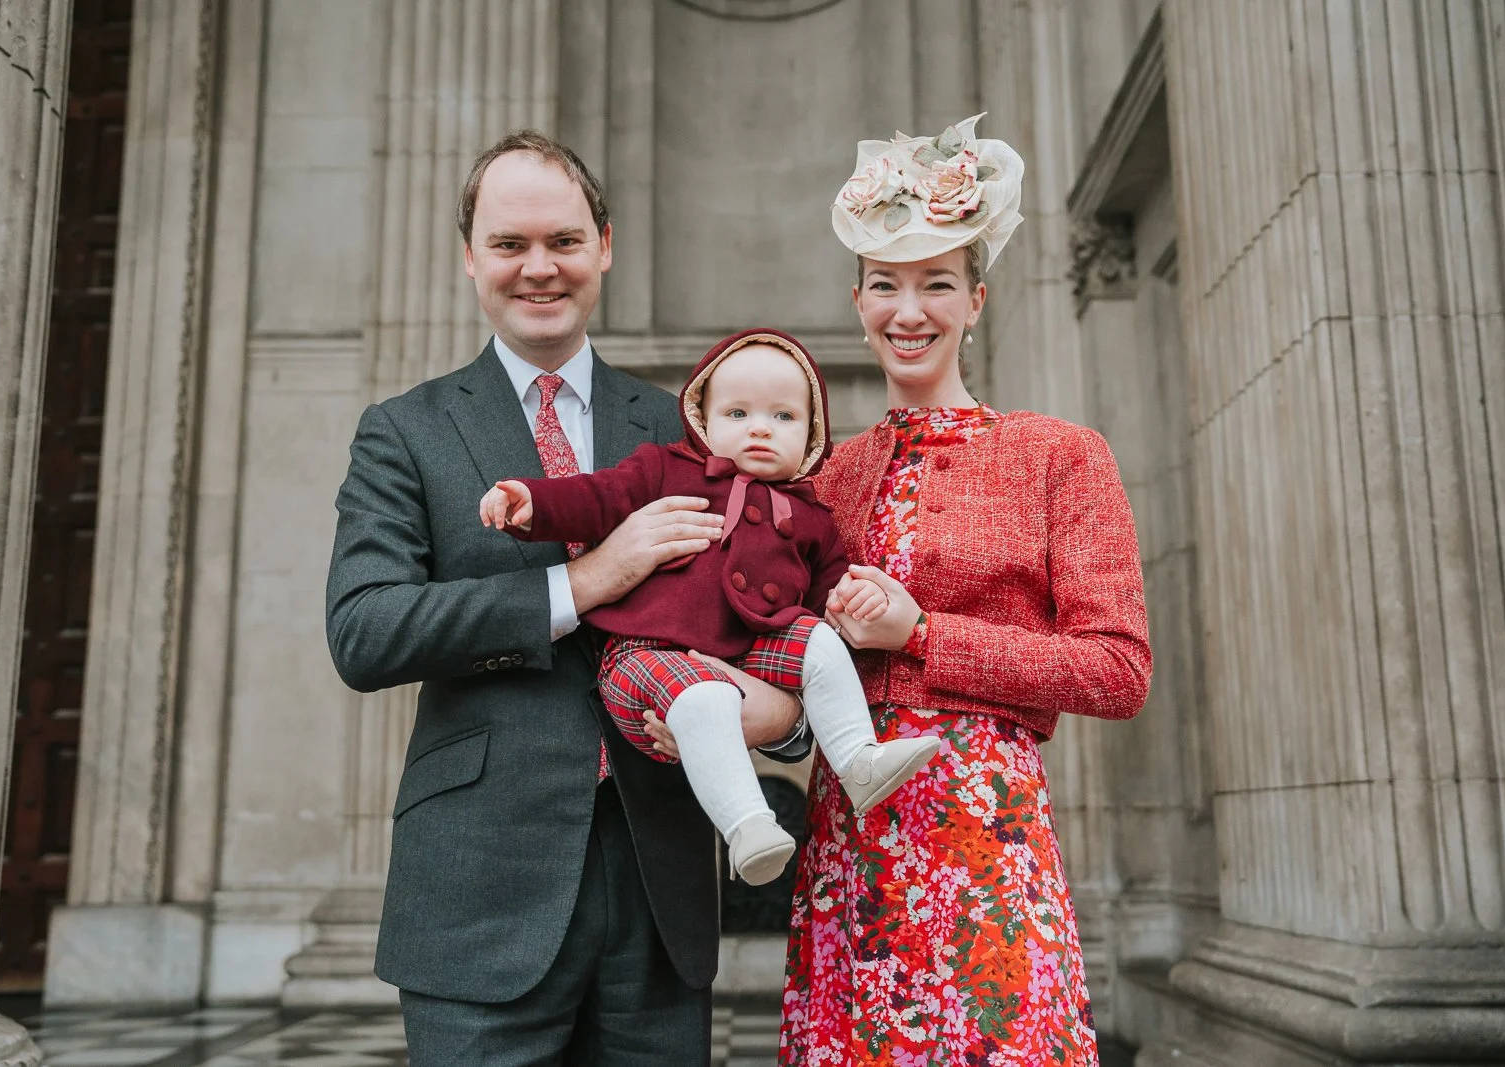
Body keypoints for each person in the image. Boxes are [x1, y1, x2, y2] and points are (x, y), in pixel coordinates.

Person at [325, 130, 808, 1065]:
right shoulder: (404, 432)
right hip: (478, 891)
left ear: (605, 247)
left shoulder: (690, 424)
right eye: (509, 245)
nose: (538, 268)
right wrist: (586, 579)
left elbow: (774, 605)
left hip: (662, 883)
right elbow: (364, 627)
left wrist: (781, 714)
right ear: (470, 258)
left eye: (564, 241)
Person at [781, 114, 1153, 1063]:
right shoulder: (824, 477)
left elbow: (1117, 671)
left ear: (975, 299)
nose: (910, 311)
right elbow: (786, 666)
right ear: (857, 301)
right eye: (886, 286)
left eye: (936, 284)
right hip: (851, 843)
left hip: (988, 835)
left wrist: (920, 634)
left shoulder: (1059, 456)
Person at [479, 329, 942, 885]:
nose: (761, 427)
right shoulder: (665, 469)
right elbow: (599, 497)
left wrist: (854, 600)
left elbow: (829, 597)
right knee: (704, 698)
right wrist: (535, 504)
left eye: (785, 417)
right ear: (703, 419)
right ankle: (748, 827)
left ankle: (857, 759)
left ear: (814, 435)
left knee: (816, 641)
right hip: (645, 655)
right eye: (738, 412)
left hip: (750, 647)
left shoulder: (813, 516)